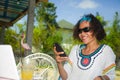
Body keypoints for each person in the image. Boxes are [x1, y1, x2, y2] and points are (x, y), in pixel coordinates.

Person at [53, 14, 116, 80]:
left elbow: (110, 75)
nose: (82, 34)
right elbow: (65, 77)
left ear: (96, 30)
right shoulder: (75, 49)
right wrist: (59, 63)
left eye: (86, 29)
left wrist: (101, 78)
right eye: (80, 31)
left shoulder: (106, 51)